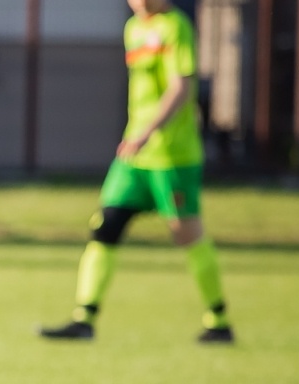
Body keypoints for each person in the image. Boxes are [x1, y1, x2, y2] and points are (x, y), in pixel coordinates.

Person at [40, 0, 233, 343]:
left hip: (172, 155)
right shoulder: (134, 29)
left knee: (186, 233)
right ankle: (84, 318)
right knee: (105, 225)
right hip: (134, 157)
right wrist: (136, 136)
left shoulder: (176, 27)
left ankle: (218, 321)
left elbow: (181, 88)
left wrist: (148, 131)